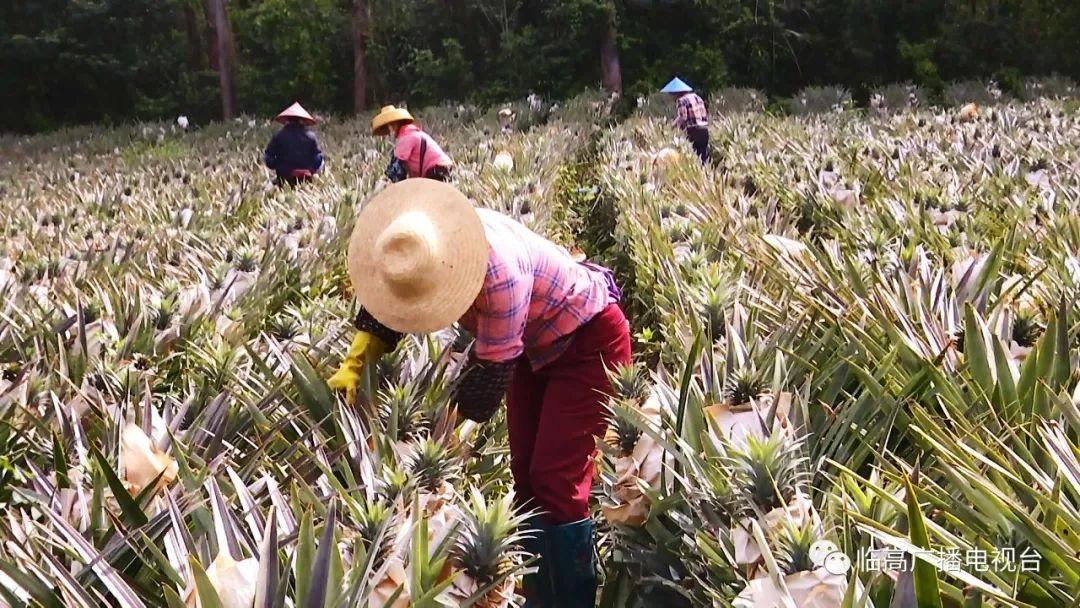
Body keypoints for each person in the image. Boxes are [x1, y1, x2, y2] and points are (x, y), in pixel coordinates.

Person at [328, 180, 630, 607]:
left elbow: (483, 392)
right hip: (533, 348)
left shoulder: (499, 276)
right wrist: (356, 360)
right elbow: (390, 302)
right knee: (525, 474)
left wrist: (435, 440)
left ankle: (573, 600)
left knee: (556, 480)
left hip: (588, 339)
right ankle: (541, 595)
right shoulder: (425, 241)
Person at [371, 105, 454, 182]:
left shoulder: (407, 138)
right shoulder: (411, 133)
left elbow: (397, 170)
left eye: (392, 124)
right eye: (388, 126)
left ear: (399, 123)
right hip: (442, 167)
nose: (390, 128)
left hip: (435, 169)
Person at [264, 102, 324, 187]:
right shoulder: (311, 136)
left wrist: (277, 165)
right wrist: (312, 169)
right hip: (306, 177)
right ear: (302, 120)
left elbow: (268, 158)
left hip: (284, 176)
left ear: (287, 120)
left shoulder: (279, 136)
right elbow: (318, 159)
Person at [662, 77, 710, 164]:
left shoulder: (681, 100)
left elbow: (682, 118)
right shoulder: (697, 97)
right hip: (704, 129)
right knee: (704, 157)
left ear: (676, 92)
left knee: (695, 159)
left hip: (693, 131)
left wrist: (672, 126)